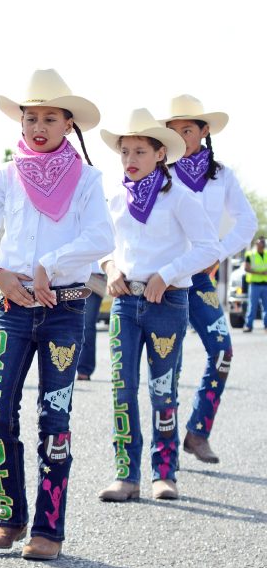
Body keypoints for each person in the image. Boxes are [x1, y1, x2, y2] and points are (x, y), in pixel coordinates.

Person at [0, 69, 114, 561]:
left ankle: (48, 528)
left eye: (51, 117)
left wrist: (50, 264)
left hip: (65, 310)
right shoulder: (7, 176)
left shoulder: (89, 179)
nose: (39, 126)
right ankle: (9, 517)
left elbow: (101, 239)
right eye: (31, 118)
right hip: (12, 308)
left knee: (55, 417)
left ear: (69, 124)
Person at [96, 110, 220, 503]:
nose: (130, 159)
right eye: (125, 151)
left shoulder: (180, 197)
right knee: (121, 389)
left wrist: (166, 274)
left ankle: (164, 473)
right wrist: (110, 266)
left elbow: (208, 248)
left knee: (163, 390)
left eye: (140, 151)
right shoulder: (115, 197)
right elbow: (101, 245)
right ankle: (126, 474)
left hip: (167, 301)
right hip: (125, 303)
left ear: (160, 153)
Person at [160, 96, 257, 465]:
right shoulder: (157, 170)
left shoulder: (222, 175)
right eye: (174, 130)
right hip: (162, 283)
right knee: (169, 361)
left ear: (205, 131)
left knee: (222, 351)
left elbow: (246, 223)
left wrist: (217, 252)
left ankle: (198, 432)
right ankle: (163, 453)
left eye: (189, 129)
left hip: (199, 281)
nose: (182, 136)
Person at [74, 264, 104, 380]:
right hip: (69, 274)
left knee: (87, 326)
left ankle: (84, 369)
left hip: (93, 278)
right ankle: (62, 369)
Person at [243, 236, 267, 331]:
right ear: (256, 244)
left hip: (265, 284)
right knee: (252, 306)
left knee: (266, 307)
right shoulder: (250, 254)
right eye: (259, 242)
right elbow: (246, 268)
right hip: (254, 285)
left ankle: (266, 325)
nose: (261, 244)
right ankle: (249, 325)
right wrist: (260, 273)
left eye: (262, 243)